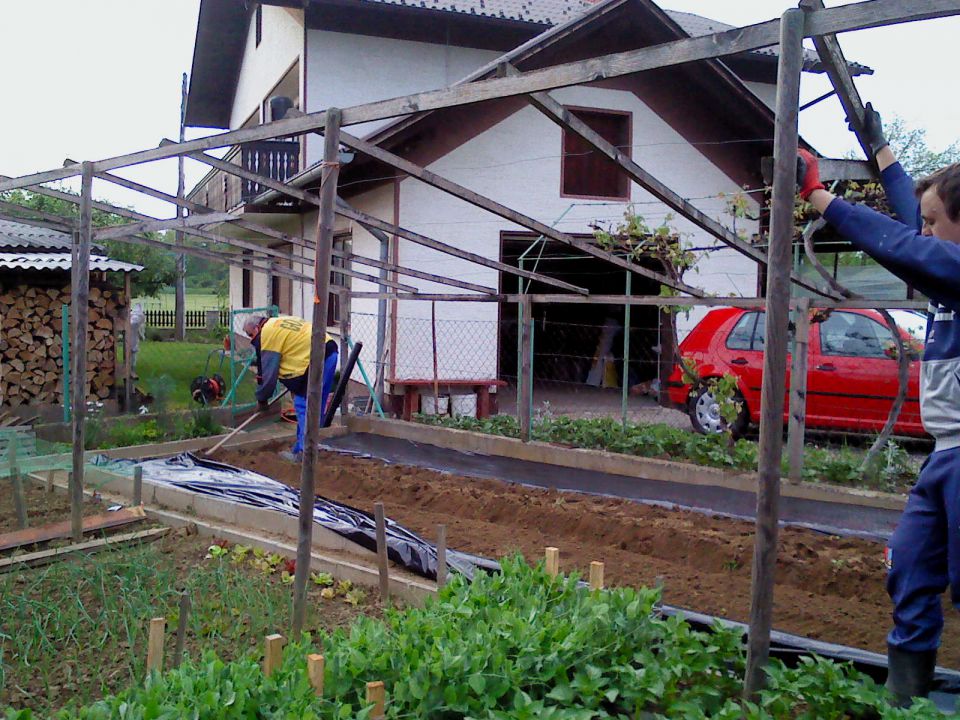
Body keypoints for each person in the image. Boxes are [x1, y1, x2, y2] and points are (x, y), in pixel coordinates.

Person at [796, 104, 960, 706]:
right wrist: (883, 153)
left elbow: (902, 246)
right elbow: (910, 228)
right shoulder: (947, 264)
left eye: (935, 220)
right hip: (945, 457)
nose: (924, 230)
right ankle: (905, 702)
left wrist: (819, 197)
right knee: (911, 570)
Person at [242, 315, 339, 463]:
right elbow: (292, 349)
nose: (251, 339)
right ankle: (305, 448)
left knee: (305, 405)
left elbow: (268, 375)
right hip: (329, 351)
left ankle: (304, 454)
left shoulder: (267, 335)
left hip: (314, 359)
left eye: (250, 334)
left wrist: (262, 400)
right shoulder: (278, 322)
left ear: (257, 328)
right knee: (314, 407)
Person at [129, 303, 146, 380]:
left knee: (133, 355)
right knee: (132, 355)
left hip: (133, 339)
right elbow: (141, 331)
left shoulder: (136, 317)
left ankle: (131, 371)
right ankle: (131, 370)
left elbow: (140, 330)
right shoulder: (139, 318)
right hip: (132, 340)